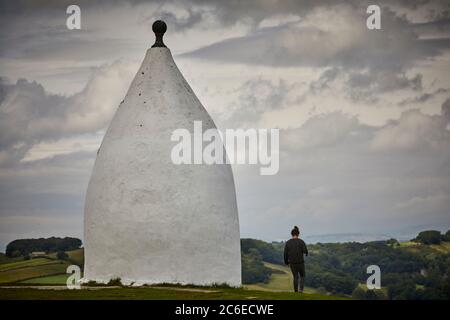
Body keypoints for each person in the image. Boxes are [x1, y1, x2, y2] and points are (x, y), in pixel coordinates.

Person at [284, 226, 308, 292]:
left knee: (295, 277)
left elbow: (285, 254)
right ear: (298, 234)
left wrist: (286, 262)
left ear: (291, 234)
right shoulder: (301, 242)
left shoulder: (288, 243)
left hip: (292, 263)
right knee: (302, 276)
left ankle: (296, 292)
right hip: (300, 262)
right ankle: (301, 290)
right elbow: (305, 251)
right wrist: (305, 252)